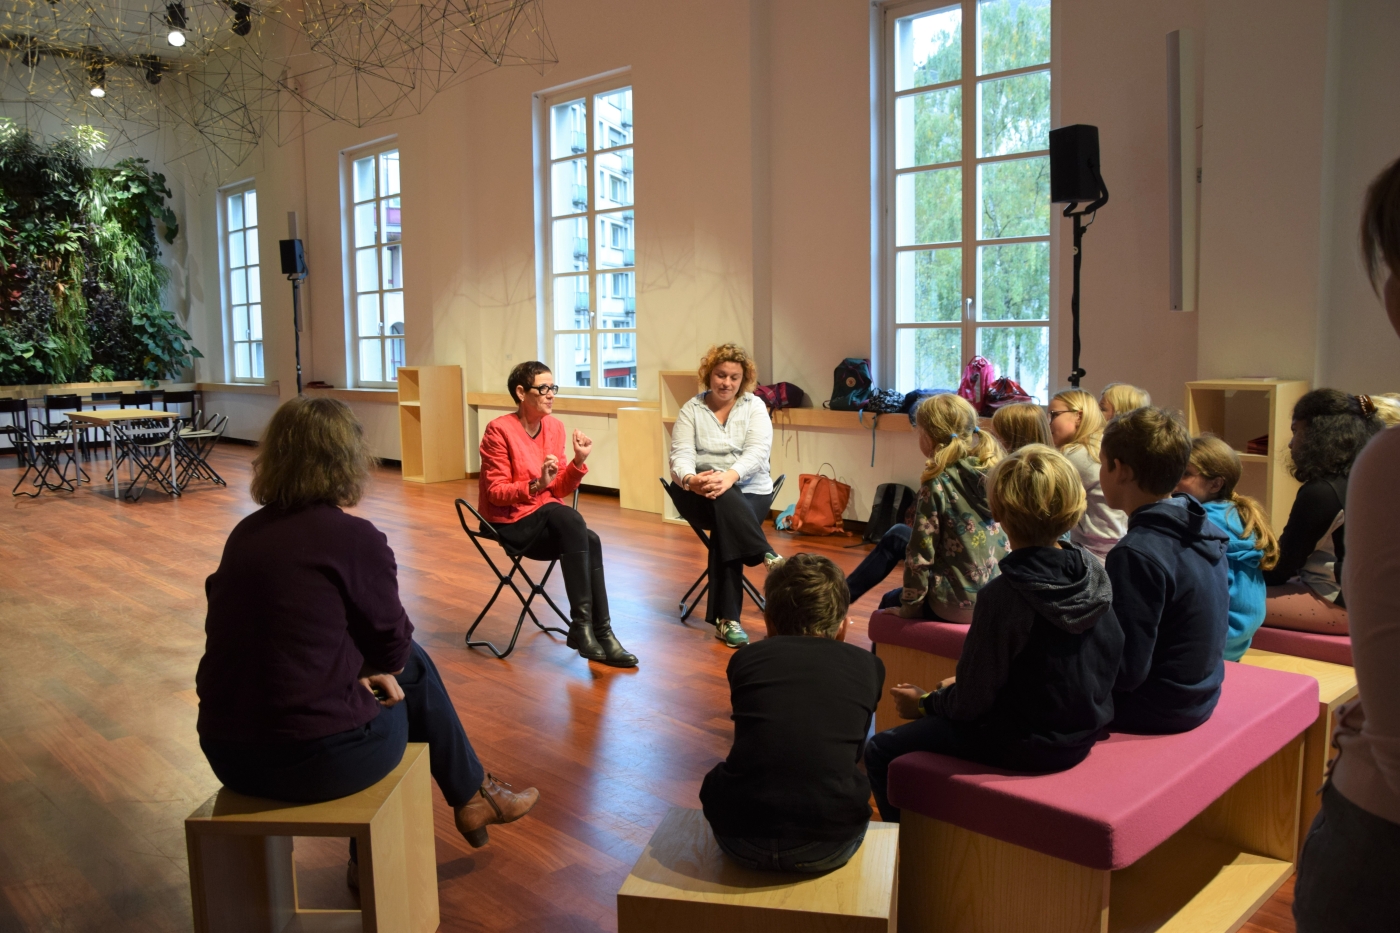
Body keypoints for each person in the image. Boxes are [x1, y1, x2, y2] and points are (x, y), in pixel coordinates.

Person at [196, 397, 539, 889]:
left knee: (396, 674)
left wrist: (359, 662)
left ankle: (472, 797)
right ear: (348, 458)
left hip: (228, 754)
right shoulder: (352, 538)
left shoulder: (244, 534)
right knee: (411, 675)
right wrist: (369, 665)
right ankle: (454, 808)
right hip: (313, 761)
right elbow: (393, 651)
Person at [864, 444, 1123, 822]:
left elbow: (970, 704)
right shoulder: (1093, 571)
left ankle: (905, 860)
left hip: (1026, 743)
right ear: (1074, 506)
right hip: (1083, 729)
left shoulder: (1005, 595)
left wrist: (925, 703)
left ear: (997, 512)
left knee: (881, 751)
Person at [1294, 150, 1400, 933]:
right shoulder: (1365, 466)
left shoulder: (1382, 470)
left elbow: (1291, 567)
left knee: (1257, 597)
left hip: (1378, 844)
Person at [700, 554, 883, 871]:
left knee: (721, 779)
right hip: (829, 842)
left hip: (739, 838)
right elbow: (852, 751)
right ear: (843, 629)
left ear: (769, 624)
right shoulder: (870, 666)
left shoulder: (745, 660)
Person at [479, 361, 637, 667]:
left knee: (589, 539)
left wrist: (578, 460)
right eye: (544, 388)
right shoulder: (499, 430)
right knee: (569, 519)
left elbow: (560, 488)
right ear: (521, 392)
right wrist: (538, 484)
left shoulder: (555, 427)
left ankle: (601, 632)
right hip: (512, 523)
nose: (551, 394)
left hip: (549, 520)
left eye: (553, 388)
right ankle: (583, 627)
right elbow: (495, 493)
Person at [1099, 407, 1230, 734]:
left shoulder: (1136, 553)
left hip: (1157, 708)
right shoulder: (1203, 526)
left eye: (1102, 464)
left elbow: (1126, 672)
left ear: (1121, 470)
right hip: (1202, 695)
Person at [668, 343, 778, 648]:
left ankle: (727, 621)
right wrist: (690, 479)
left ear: (743, 379)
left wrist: (728, 477)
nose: (726, 383)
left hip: (749, 489)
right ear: (708, 374)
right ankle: (765, 554)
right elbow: (680, 456)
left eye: (734, 377)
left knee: (724, 517)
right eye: (720, 375)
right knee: (721, 499)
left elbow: (758, 453)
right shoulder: (691, 409)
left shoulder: (754, 406)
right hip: (698, 492)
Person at [1260, 389, 1383, 636]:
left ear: (1320, 435)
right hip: (1379, 601)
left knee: (1222, 599)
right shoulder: (1375, 475)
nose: (1291, 442)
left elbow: (1282, 568)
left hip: (1346, 604)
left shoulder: (1323, 492)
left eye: (1296, 431)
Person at [884, 393, 1008, 623]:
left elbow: (919, 556)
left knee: (887, 603)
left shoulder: (937, 483)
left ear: (928, 438)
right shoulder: (994, 472)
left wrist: (910, 608)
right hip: (996, 599)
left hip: (955, 607)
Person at [1176, 435, 1280, 661]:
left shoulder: (1197, 522)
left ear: (1216, 484)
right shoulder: (1236, 513)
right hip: (1238, 641)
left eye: (1184, 474)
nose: (1174, 481)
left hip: (1211, 643)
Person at [1049, 388, 1127, 561]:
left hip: (1092, 552)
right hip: (1117, 546)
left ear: (1078, 415)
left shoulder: (1075, 454)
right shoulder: (1101, 443)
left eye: (1054, 415)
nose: (1050, 423)